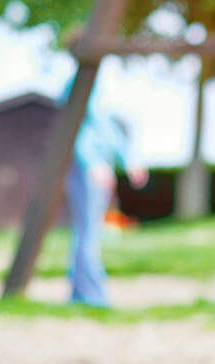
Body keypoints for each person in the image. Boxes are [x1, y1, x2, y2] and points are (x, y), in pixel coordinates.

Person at [64, 89, 147, 307]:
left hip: (99, 167)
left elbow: (108, 130)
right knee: (87, 233)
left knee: (88, 233)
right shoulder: (80, 85)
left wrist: (129, 160)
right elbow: (77, 128)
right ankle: (91, 295)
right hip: (88, 171)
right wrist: (92, 163)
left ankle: (80, 292)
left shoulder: (102, 88)